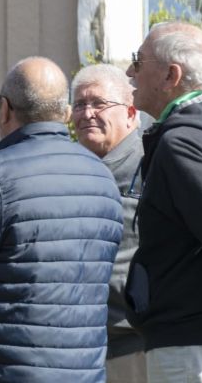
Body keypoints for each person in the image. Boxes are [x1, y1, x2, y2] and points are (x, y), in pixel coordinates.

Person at [0, 56, 123, 382]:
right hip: (83, 370)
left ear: (5, 109)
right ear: (64, 111)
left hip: (4, 369)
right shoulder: (102, 176)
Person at [124, 21, 202, 382]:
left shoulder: (182, 143)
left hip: (193, 346)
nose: (130, 71)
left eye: (138, 59)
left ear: (170, 76)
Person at [71, 64, 146, 382]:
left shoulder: (152, 164)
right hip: (77, 345)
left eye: (99, 103)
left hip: (131, 344)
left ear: (130, 112)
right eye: (79, 104)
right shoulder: (69, 166)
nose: (87, 113)